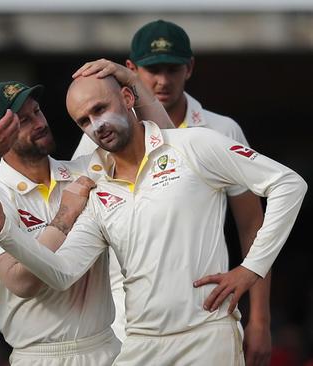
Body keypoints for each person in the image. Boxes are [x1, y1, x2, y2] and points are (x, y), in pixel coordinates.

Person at [0, 73, 307, 365]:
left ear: (127, 96)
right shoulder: (85, 187)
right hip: (124, 348)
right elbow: (50, 276)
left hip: (188, 338)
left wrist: (252, 268)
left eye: (37, 112)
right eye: (84, 120)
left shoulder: (89, 174)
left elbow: (284, 183)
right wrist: (4, 230)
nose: (97, 125)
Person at [72, 19, 270, 365]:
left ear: (189, 68)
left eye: (172, 68)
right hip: (125, 322)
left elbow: (252, 224)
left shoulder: (221, 129)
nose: (162, 80)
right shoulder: (98, 133)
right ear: (131, 70)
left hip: (205, 319)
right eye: (151, 70)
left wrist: (260, 320)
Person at [0, 61, 170, 365]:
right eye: (23, 120)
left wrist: (131, 80)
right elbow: (22, 283)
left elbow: (166, 149)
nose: (39, 122)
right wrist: (65, 217)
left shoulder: (88, 169)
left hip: (106, 347)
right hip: (38, 356)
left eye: (37, 112)